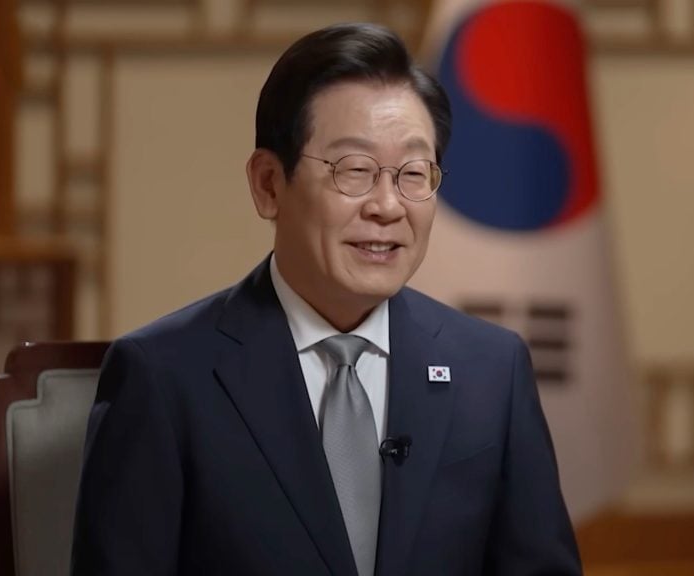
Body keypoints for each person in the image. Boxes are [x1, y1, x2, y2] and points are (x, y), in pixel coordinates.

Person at [70, 22, 580, 576]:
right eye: (354, 170)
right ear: (269, 184)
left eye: (413, 173)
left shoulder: (492, 370)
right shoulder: (163, 378)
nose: (388, 206)